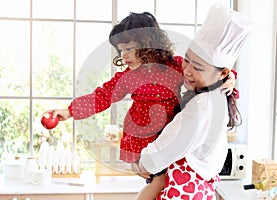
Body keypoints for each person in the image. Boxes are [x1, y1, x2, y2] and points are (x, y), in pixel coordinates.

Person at [42, 11, 237, 200]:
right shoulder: (129, 76)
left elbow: (209, 71)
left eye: (128, 48)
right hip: (141, 138)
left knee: (163, 182)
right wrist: (69, 111)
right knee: (158, 181)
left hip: (165, 135)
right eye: (121, 50)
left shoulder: (175, 65)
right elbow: (103, 96)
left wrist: (230, 78)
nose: (124, 55)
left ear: (149, 45)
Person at [132, 3, 253, 200]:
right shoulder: (215, 95)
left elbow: (171, 142)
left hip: (184, 190)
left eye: (197, 67)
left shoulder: (202, 106)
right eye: (187, 60)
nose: (187, 70)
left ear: (222, 73)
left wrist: (141, 162)